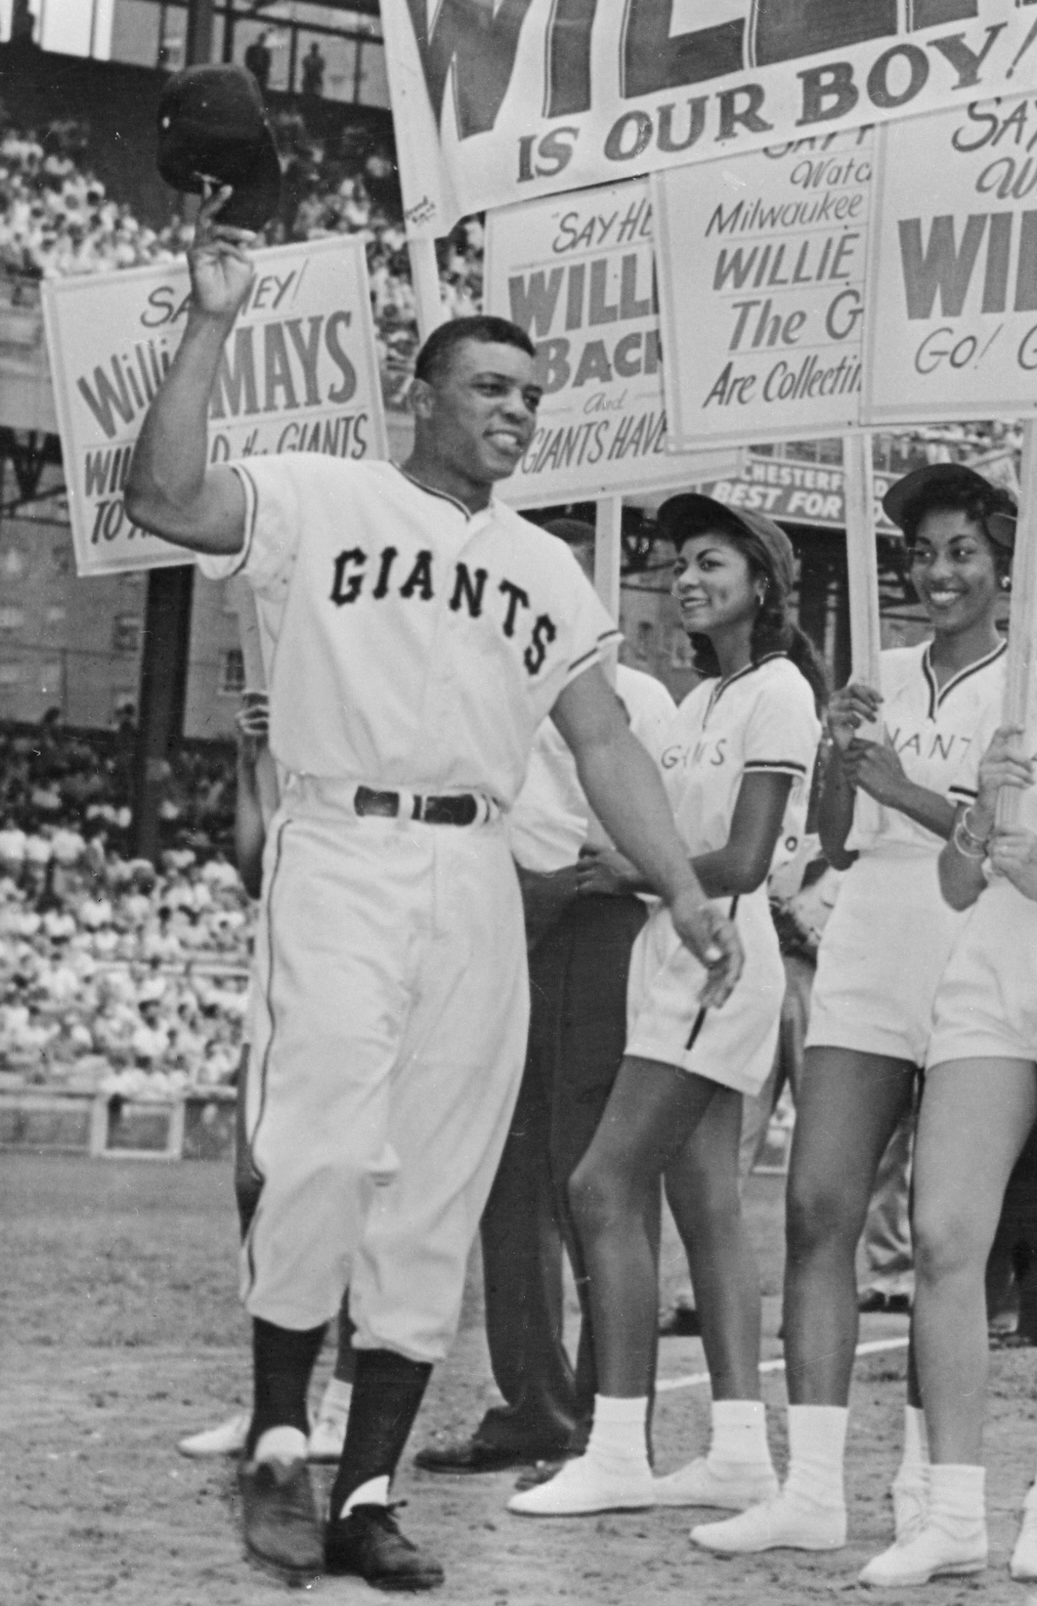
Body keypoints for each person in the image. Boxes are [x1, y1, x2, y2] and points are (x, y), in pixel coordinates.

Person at [121, 204, 731, 1592]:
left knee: (435, 1192)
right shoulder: (326, 495)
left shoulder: (543, 565)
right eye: (489, 389)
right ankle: (283, 1430)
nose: (516, 414)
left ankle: (368, 1491)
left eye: (530, 397)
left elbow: (603, 744)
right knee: (321, 1145)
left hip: (475, 866)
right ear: (422, 392)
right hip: (340, 839)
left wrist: (686, 888)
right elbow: (166, 498)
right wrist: (212, 322)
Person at [696, 461, 1016, 1558]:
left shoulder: (1032, 687)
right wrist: (841, 749)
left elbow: (999, 840)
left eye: (960, 551)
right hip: (869, 945)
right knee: (818, 1205)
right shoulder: (880, 669)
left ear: (1001, 565)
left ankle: (931, 1488)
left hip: (974, 952)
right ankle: (815, 1485)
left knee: (942, 1237)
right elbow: (831, 833)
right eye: (922, 553)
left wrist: (898, 786)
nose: (937, 572)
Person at [853, 501, 1037, 1587]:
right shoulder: (1015, 706)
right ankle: (950, 1510)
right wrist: (983, 822)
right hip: (987, 969)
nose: (1025, 607)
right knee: (941, 1236)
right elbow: (955, 879)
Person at [510, 494, 823, 1519]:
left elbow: (741, 858)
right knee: (707, 1207)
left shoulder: (778, 689)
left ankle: (615, 1447)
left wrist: (623, 869)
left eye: (712, 562)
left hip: (719, 954)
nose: (688, 578)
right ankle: (737, 1449)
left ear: (762, 582)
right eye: (680, 563)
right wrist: (638, 873)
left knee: (600, 1183)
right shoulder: (696, 703)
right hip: (677, 950)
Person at [414, 514, 679, 1479]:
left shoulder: (637, 695)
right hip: (498, 918)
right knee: (503, 1174)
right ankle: (534, 1399)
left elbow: (664, 819)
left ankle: (611, 1413)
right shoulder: (475, 679)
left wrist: (622, 874)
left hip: (593, 918)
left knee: (590, 1172)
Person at [176, 689, 354, 1468]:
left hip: (355, 965)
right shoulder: (290, 735)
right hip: (281, 977)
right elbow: (256, 869)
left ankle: (343, 1404)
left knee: (351, 1191)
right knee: (258, 1184)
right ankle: (270, 1404)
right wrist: (254, 761)